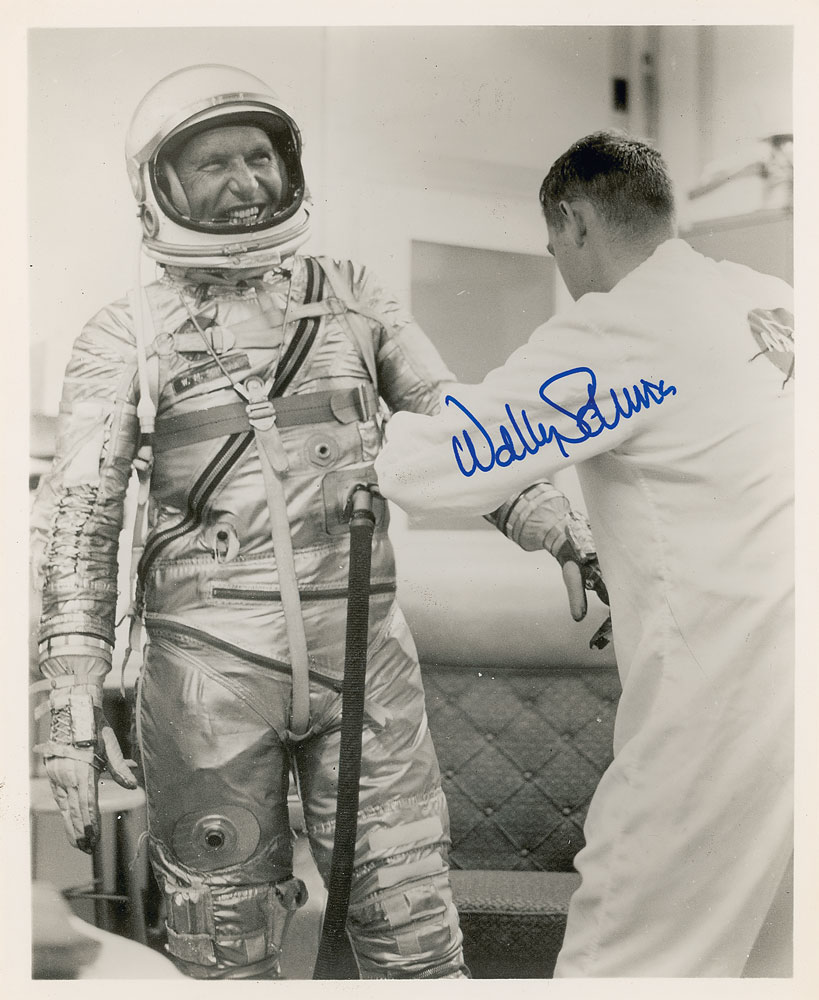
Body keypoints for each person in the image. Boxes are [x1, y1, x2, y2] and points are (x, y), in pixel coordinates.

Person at [30, 65, 607, 981]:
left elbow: (452, 426)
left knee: (414, 931)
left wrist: (556, 521)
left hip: (361, 661)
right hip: (208, 672)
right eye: (214, 163)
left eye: (259, 157)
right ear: (161, 186)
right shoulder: (125, 332)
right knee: (223, 946)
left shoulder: (352, 298)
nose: (246, 180)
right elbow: (80, 521)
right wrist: (67, 707)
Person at [375, 130, 794, 977]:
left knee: (621, 964)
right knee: (770, 966)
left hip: (721, 706)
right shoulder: (774, 302)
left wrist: (349, 425)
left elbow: (433, 467)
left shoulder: (620, 328)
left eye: (553, 249)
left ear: (571, 222)